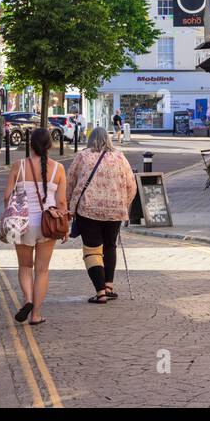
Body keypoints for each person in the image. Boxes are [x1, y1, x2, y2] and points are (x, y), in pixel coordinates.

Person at [67, 126, 137, 304]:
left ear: (91, 139)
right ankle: (108, 286)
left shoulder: (82, 156)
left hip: (88, 210)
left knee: (92, 250)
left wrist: (69, 207)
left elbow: (70, 183)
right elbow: (131, 186)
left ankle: (100, 292)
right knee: (110, 246)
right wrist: (123, 203)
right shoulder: (120, 157)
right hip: (114, 211)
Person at [5, 127, 67, 325]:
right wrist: (65, 227)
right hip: (47, 223)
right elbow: (62, 203)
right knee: (42, 270)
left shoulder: (18, 166)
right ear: (50, 145)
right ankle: (36, 314)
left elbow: (7, 197)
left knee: (25, 266)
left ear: (30, 144)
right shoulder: (58, 168)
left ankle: (28, 300)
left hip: (21, 223)